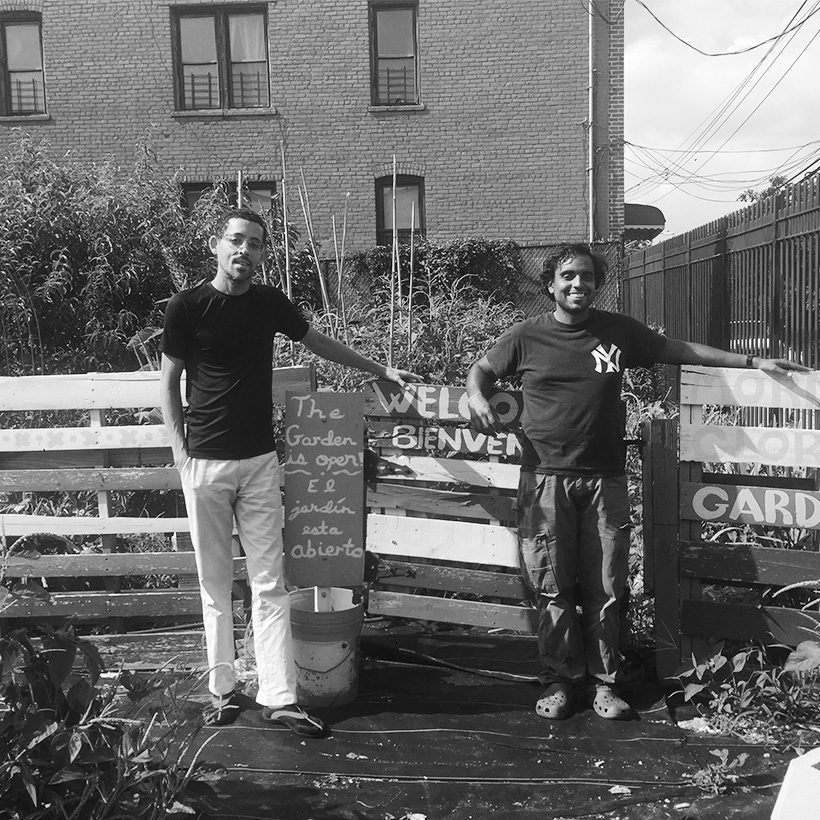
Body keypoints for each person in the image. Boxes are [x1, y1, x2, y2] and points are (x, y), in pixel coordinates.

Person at [466, 242, 810, 721]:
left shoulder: (617, 333)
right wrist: (477, 398)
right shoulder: (526, 337)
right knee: (551, 584)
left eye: (586, 276)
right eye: (567, 276)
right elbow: (480, 369)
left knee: (608, 585)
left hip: (604, 481)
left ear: (595, 283)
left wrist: (753, 363)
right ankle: (560, 679)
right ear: (551, 285)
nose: (577, 284)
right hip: (544, 480)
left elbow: (678, 350)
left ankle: (606, 682)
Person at [160, 207, 419, 736]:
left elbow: (317, 341)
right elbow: (168, 383)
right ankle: (223, 690)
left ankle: (277, 695)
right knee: (214, 584)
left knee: (269, 583)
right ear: (216, 245)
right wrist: (180, 454)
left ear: (261, 253)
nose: (244, 251)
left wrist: (378, 369)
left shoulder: (267, 304)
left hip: (258, 463)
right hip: (204, 462)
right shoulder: (187, 307)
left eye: (255, 244)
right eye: (236, 241)